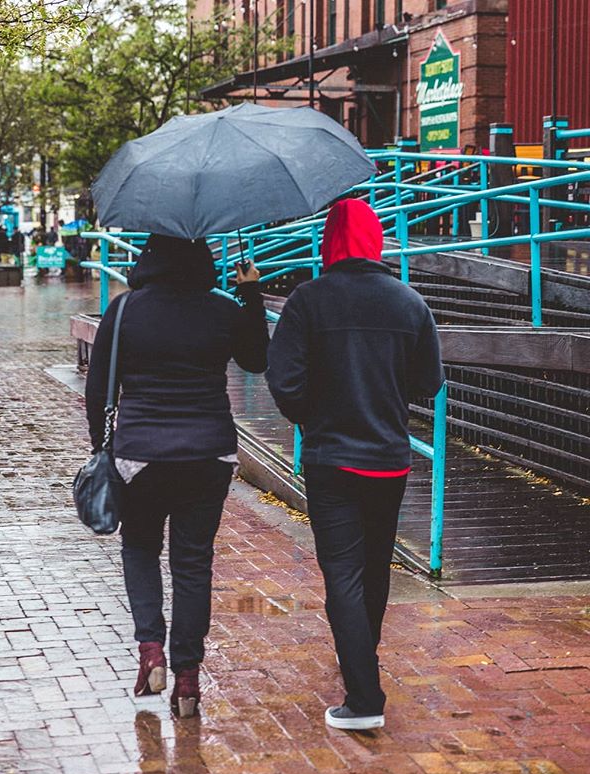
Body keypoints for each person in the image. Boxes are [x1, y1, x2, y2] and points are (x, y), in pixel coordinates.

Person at [266, 199, 444, 731]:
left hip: (331, 461)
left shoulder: (307, 302)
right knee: (373, 569)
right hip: (389, 460)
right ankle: (362, 663)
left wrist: (312, 416)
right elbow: (429, 382)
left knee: (341, 573)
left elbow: (285, 383)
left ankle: (364, 696)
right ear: (375, 239)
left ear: (329, 242)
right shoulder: (409, 303)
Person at [85, 235, 269, 717]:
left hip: (140, 454)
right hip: (209, 453)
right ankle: (188, 678)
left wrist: (100, 448)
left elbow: (97, 387)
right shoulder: (223, 308)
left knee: (141, 546)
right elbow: (257, 360)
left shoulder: (124, 311)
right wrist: (251, 292)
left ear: (150, 257)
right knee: (193, 563)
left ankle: (151, 649)